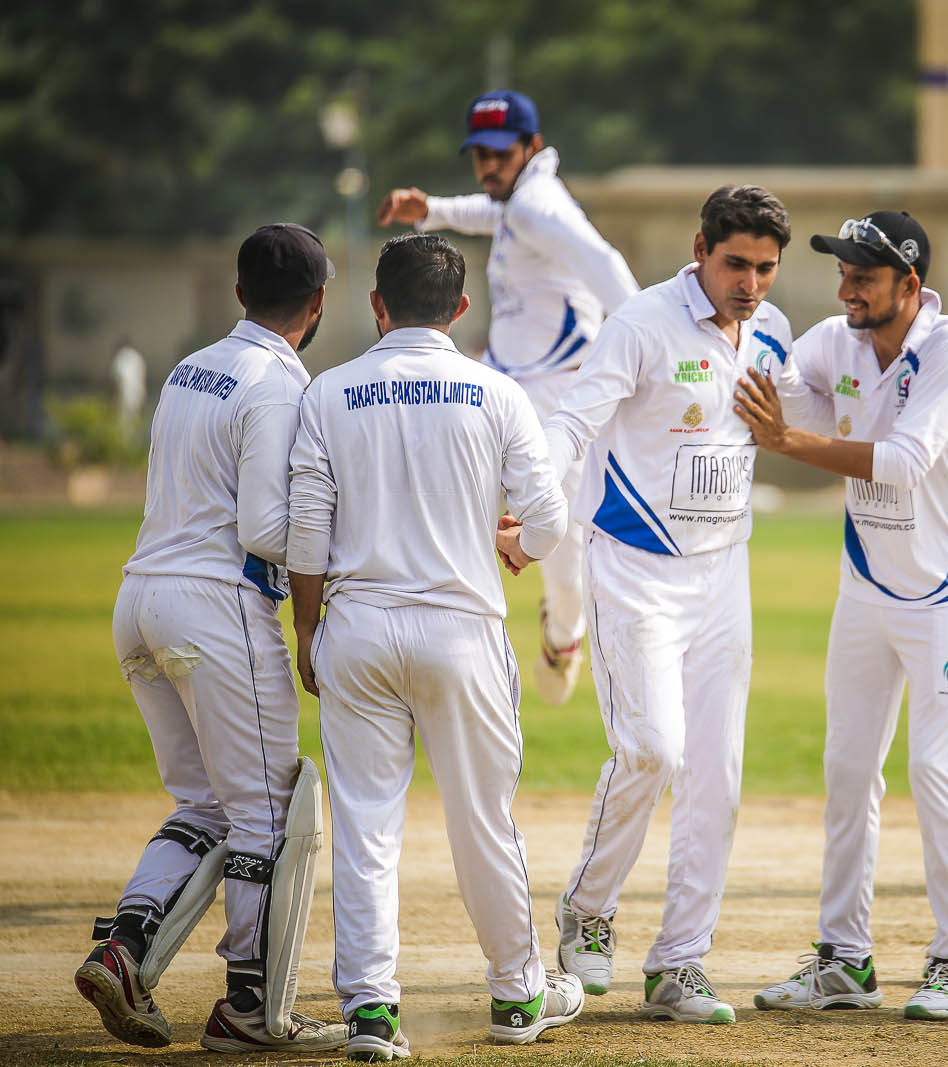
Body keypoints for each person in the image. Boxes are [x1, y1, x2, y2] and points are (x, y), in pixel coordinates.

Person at [286, 233, 581, 1058]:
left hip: (359, 627)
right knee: (484, 821)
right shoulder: (498, 392)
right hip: (463, 632)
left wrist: (307, 629)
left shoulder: (328, 391)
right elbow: (550, 519)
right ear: (460, 308)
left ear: (378, 306)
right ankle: (517, 993)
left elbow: (306, 528)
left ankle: (371, 1012)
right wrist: (517, 547)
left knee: (365, 826)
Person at [76, 223, 344, 1053]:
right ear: (319, 303)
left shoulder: (191, 367)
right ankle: (251, 1010)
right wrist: (344, 552)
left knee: (202, 804)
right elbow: (265, 528)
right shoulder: (280, 384)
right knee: (266, 813)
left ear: (238, 293)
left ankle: (124, 951)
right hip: (217, 607)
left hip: (140, 598)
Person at [541, 185, 795, 1025]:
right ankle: (587, 906)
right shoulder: (642, 324)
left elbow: (807, 411)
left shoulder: (773, 331)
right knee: (652, 748)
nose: (749, 284)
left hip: (724, 574)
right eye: (736, 264)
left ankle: (680, 961)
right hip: (633, 568)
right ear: (700, 250)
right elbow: (572, 422)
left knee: (716, 775)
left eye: (765, 268)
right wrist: (529, 509)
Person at [741, 210, 948, 1020]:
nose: (847, 289)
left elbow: (906, 462)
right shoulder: (836, 340)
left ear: (910, 284)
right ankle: (845, 959)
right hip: (865, 589)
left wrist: (790, 443)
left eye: (865, 277)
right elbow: (787, 392)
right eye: (843, 273)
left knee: (936, 771)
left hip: (947, 595)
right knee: (848, 769)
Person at [376, 89, 639, 705]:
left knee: (561, 543)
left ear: (531, 147)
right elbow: (491, 214)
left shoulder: (542, 206)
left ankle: (564, 634)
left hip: (558, 392)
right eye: (480, 154)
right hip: (502, 378)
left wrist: (648, 342)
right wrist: (433, 208)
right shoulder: (518, 202)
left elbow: (606, 266)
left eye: (501, 153)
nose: (489, 165)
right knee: (438, 485)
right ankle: (430, 626)